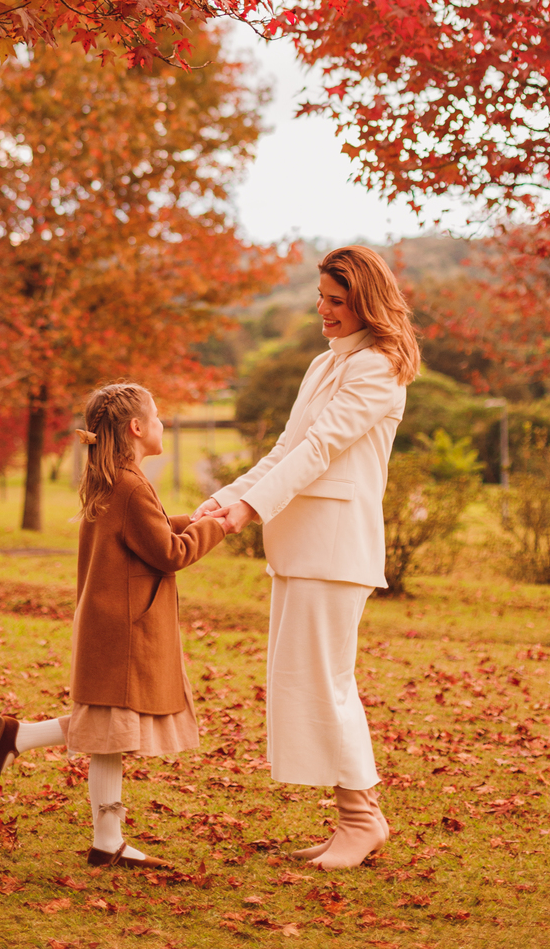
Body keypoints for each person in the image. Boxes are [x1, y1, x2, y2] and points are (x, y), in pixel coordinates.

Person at [195, 246, 418, 869]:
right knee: (308, 684)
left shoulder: (376, 368)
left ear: (366, 302)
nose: (323, 309)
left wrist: (249, 510)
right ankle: (355, 818)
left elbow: (320, 448)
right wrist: (225, 499)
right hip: (300, 548)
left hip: (336, 547)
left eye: (337, 300)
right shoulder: (326, 365)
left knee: (327, 684)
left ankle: (361, 820)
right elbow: (287, 447)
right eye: (321, 297)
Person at [0, 382, 226, 868]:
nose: (161, 424)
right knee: (112, 731)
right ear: (136, 428)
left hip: (110, 625)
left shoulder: (116, 478)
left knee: (112, 732)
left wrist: (192, 516)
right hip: (125, 630)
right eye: (156, 416)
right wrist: (220, 526)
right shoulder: (130, 484)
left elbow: (145, 528)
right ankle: (95, 826)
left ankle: (98, 830)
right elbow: (171, 554)